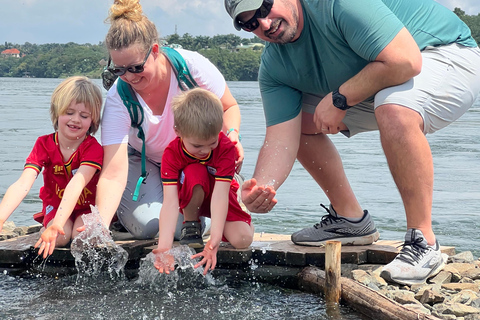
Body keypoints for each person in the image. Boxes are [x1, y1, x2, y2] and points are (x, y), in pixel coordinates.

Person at [225, 0, 480, 285]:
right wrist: (260, 188)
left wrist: (340, 98)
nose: (263, 23)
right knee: (302, 123)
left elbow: (406, 60)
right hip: (386, 77)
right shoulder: (274, 66)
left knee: (393, 107)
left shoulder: (337, 4)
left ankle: (423, 242)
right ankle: (351, 221)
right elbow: (280, 138)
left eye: (263, 9)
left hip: (446, 53)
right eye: (249, 23)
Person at [97, 0, 244, 241]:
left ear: (155, 51)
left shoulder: (191, 68)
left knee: (182, 226)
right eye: (118, 70)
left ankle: (208, 209)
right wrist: (99, 227)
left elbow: (229, 106)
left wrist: (233, 136)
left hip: (196, 156)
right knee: (151, 227)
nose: (129, 77)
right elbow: (114, 172)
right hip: (146, 163)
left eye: (135, 67)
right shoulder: (118, 97)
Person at [153, 88, 254, 275]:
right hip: (193, 193)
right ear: (178, 132)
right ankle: (191, 224)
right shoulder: (171, 153)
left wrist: (214, 241)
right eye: (197, 145)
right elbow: (170, 202)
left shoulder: (225, 148)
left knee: (242, 240)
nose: (205, 150)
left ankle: (238, 204)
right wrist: (164, 247)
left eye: (212, 142)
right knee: (194, 170)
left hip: (220, 192)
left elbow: (220, 195)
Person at [0, 76, 103, 258]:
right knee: (61, 238)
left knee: (82, 237)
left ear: (93, 121)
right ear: (57, 113)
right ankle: (46, 227)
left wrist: (58, 224)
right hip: (55, 205)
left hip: (87, 207)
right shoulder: (44, 144)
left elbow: (78, 183)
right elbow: (24, 183)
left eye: (84, 115)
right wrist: (2, 217)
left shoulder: (92, 147)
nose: (76, 120)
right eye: (69, 112)